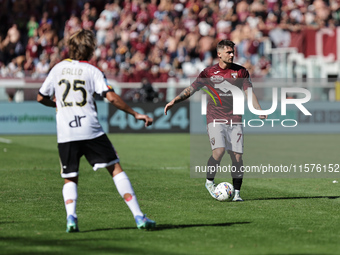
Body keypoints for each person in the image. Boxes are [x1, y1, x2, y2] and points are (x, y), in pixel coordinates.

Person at [37, 29, 156, 232]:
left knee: (70, 177)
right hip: (91, 130)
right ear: (90, 49)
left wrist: (56, 104)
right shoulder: (92, 71)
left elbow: (41, 97)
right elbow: (110, 97)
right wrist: (135, 114)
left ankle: (71, 219)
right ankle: (139, 216)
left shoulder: (57, 69)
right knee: (115, 169)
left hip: (66, 133)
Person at [164, 39, 267, 201]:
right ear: (219, 54)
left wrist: (258, 109)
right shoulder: (208, 73)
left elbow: (249, 92)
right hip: (215, 117)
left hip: (235, 118)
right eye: (228, 52)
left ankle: (237, 193)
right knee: (218, 151)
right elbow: (191, 89)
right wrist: (174, 101)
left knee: (237, 157)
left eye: (233, 52)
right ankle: (209, 181)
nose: (232, 54)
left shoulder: (241, 72)